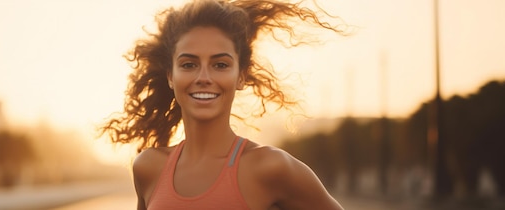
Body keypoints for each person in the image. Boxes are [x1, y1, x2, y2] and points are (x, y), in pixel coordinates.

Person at [100, 0, 346, 209]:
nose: (203, 77)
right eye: (188, 64)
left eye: (220, 65)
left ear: (241, 76)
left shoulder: (272, 167)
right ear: (170, 76)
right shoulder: (148, 167)